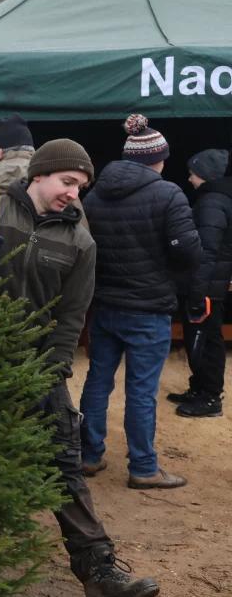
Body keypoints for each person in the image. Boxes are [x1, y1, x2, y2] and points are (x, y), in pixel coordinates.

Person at [0, 138, 160, 597]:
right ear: (38, 175)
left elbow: (72, 317)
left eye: (80, 187)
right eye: (67, 182)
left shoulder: (80, 241)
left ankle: (100, 573)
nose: (73, 194)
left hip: (37, 367)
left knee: (64, 464)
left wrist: (50, 372)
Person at [78, 114, 200, 490]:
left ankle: (88, 455)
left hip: (105, 305)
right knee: (142, 391)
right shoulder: (168, 193)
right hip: (149, 309)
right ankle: (144, 467)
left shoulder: (94, 194)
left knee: (98, 379)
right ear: (159, 158)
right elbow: (189, 252)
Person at [169, 148, 232, 418]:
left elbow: (206, 252)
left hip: (205, 287)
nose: (190, 179)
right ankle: (200, 388)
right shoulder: (217, 199)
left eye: (193, 174)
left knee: (205, 340)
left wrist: (197, 292)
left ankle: (209, 398)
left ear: (206, 175)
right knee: (206, 337)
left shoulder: (212, 203)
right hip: (210, 283)